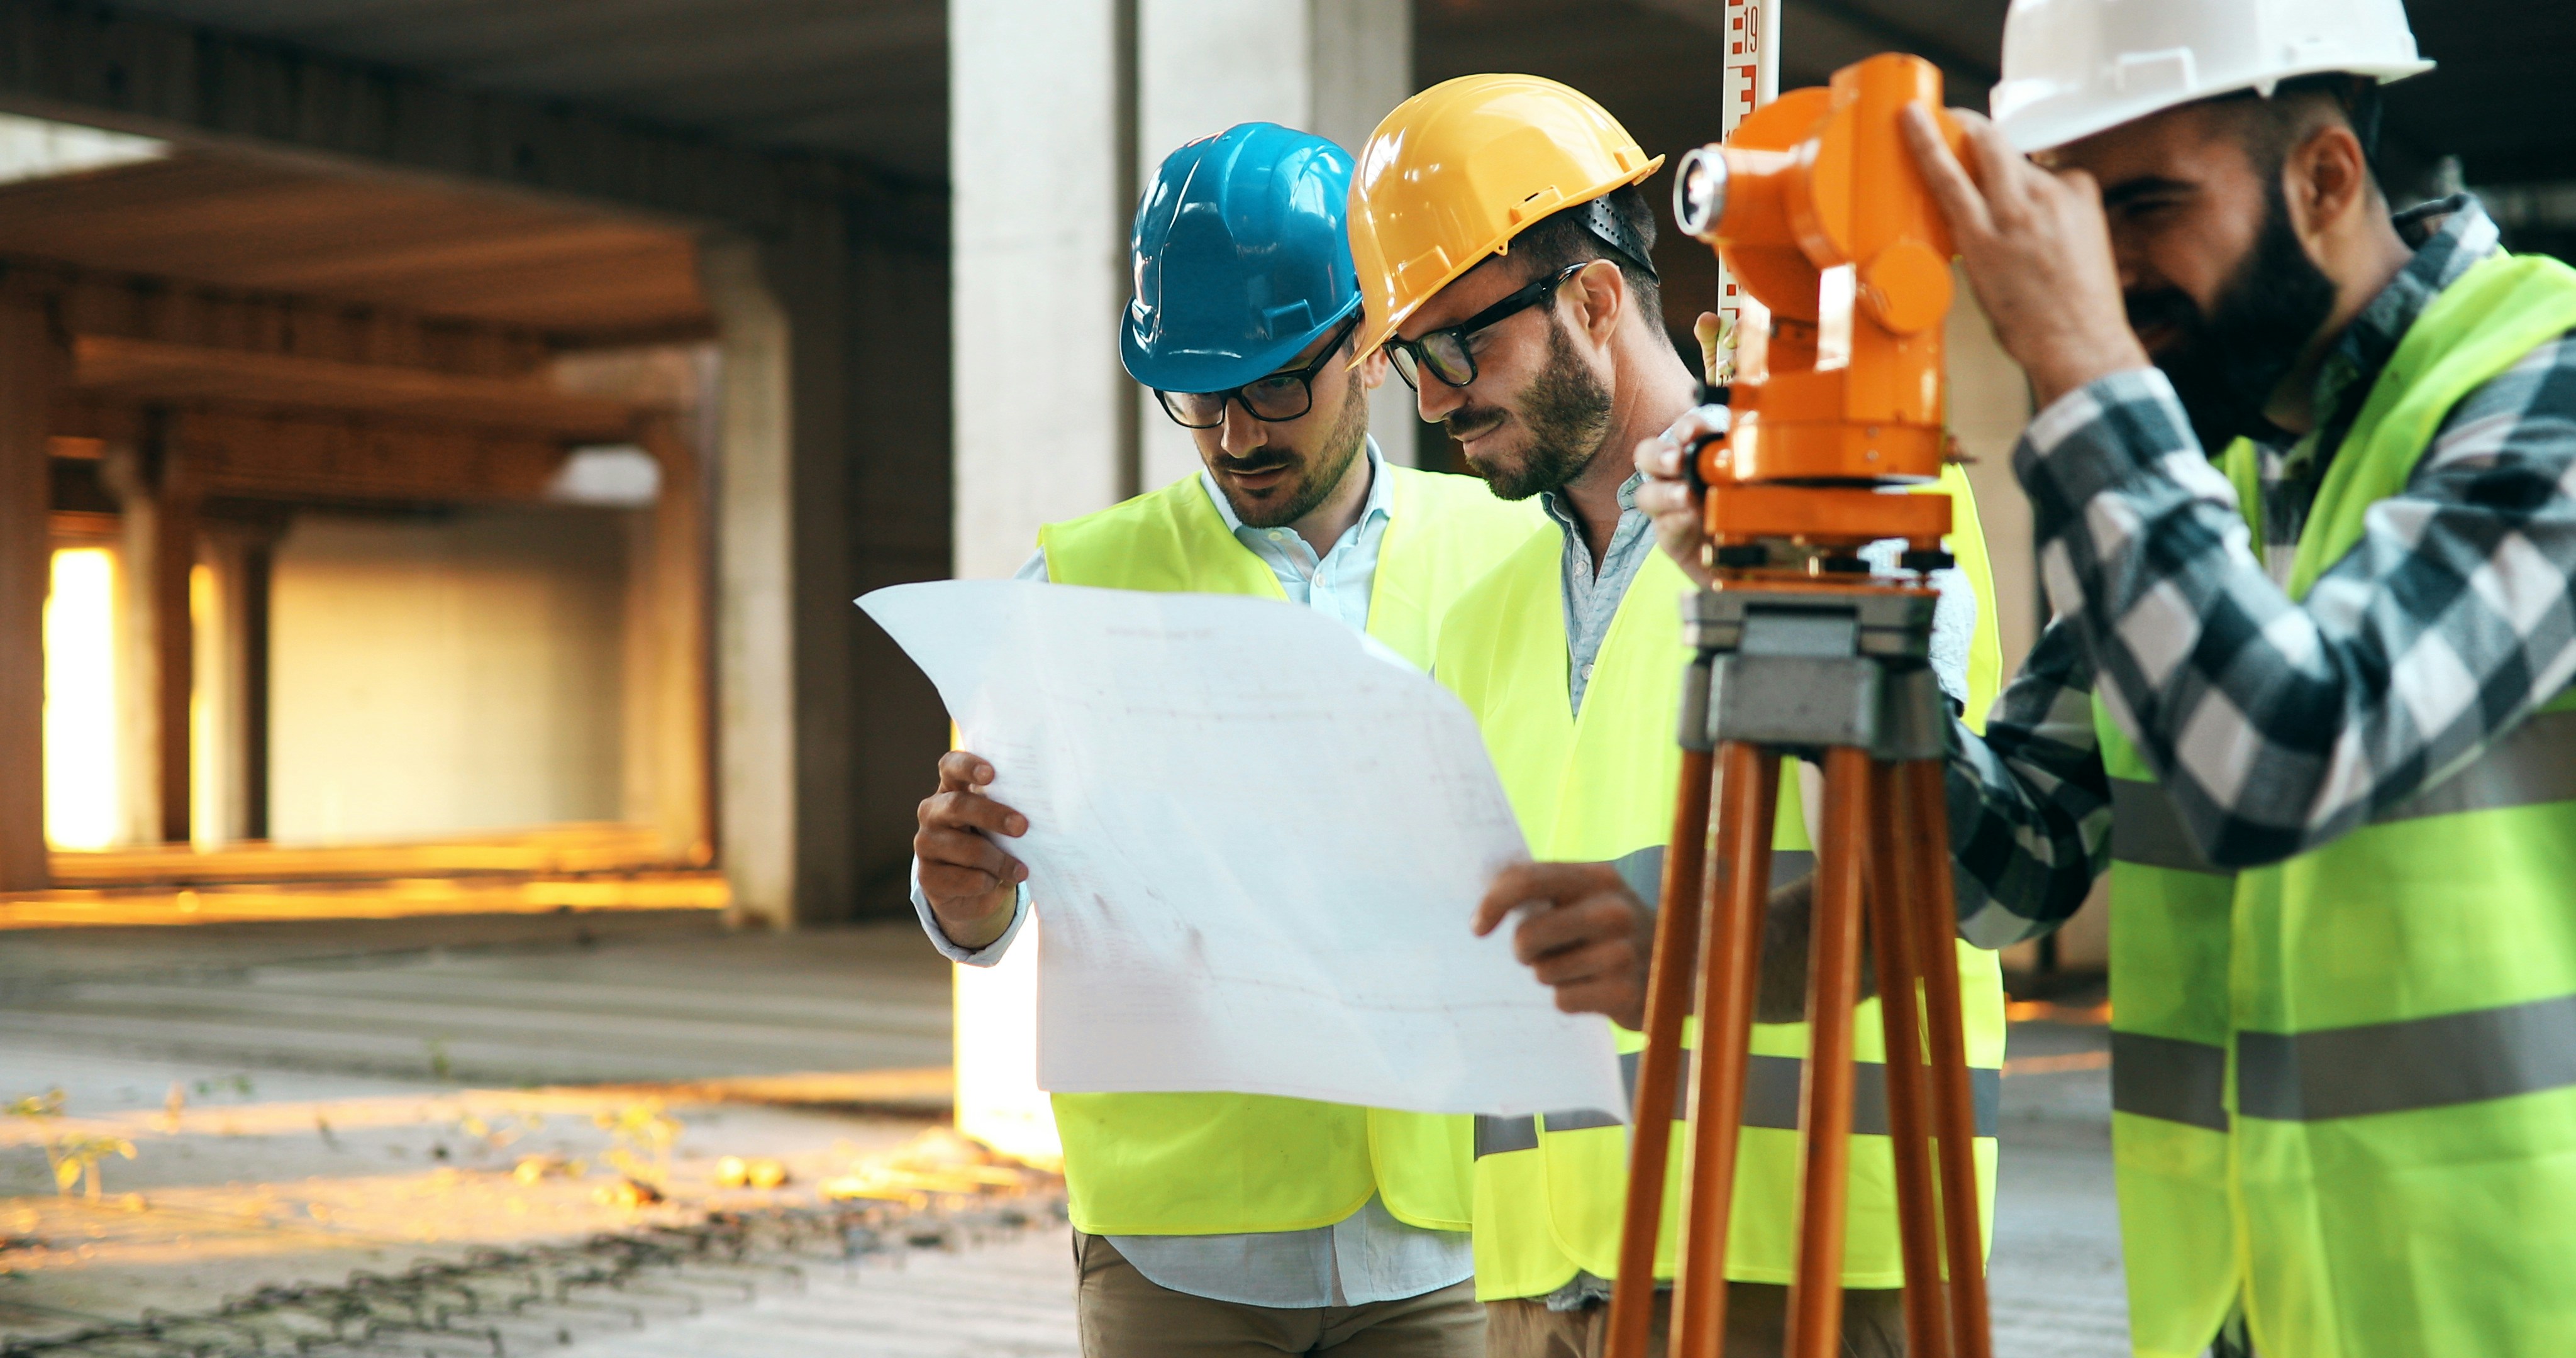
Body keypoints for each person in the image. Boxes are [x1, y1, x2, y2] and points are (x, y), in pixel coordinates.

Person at [1636, 2, 2576, 1355]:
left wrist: (2082, 369)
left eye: (2143, 206)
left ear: (2323, 179)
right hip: (2256, 1311)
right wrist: (1789, 586)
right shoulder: (2215, 470)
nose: (2103, 274)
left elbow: (2287, 754)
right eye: (2071, 217)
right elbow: (1994, 867)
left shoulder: (2534, 395)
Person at [1343, 75, 2010, 1357]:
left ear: (1589, 301)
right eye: (1401, 366)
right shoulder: (1482, 617)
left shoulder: (1852, 507)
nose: (1427, 404)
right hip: (1545, 1281)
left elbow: (1917, 865)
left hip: (1798, 1259)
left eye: (1446, 351)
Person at [911, 121, 1543, 1358]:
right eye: (1197, 398)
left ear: (1367, 344)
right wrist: (961, 898)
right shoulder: (1074, 582)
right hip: (1177, 1252)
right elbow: (986, 905)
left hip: (1449, 1235)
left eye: (1274, 387)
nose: (1237, 437)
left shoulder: (1511, 553)